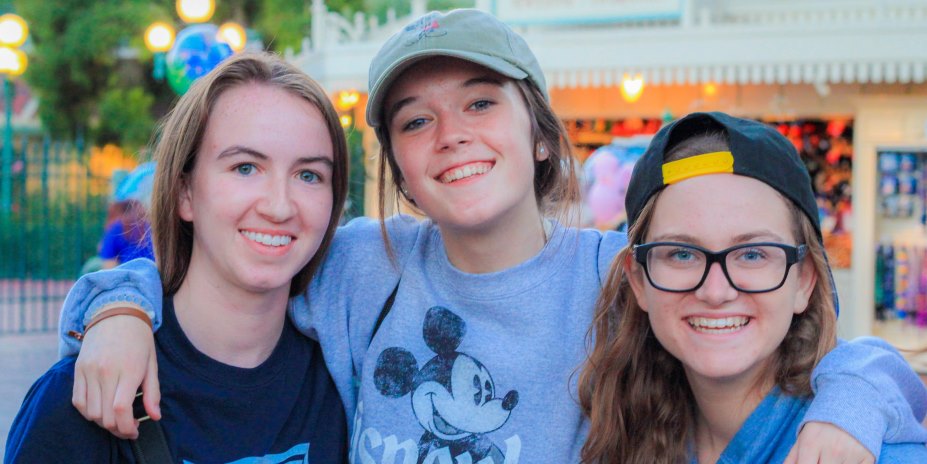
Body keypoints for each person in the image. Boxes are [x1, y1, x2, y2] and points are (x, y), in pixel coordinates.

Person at [53, 9, 926, 464]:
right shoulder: (362, 263)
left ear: (541, 133)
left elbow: (836, 349)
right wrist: (118, 312)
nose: (452, 134)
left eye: (480, 103)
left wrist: (852, 401)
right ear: (395, 156)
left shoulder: (621, 274)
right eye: (416, 119)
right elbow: (209, 273)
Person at [6, 52, 349, 463]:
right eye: (245, 167)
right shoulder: (86, 397)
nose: (279, 206)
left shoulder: (349, 381)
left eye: (308, 175)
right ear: (185, 191)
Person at [578, 112, 927, 463]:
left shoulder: (870, 453)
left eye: (753, 254)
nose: (715, 292)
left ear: (804, 279)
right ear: (638, 280)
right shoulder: (620, 430)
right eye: (682, 254)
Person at [99, 199, 155, 269]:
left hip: (128, 276)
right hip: (153, 274)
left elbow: (108, 266)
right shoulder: (149, 226)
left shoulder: (116, 228)